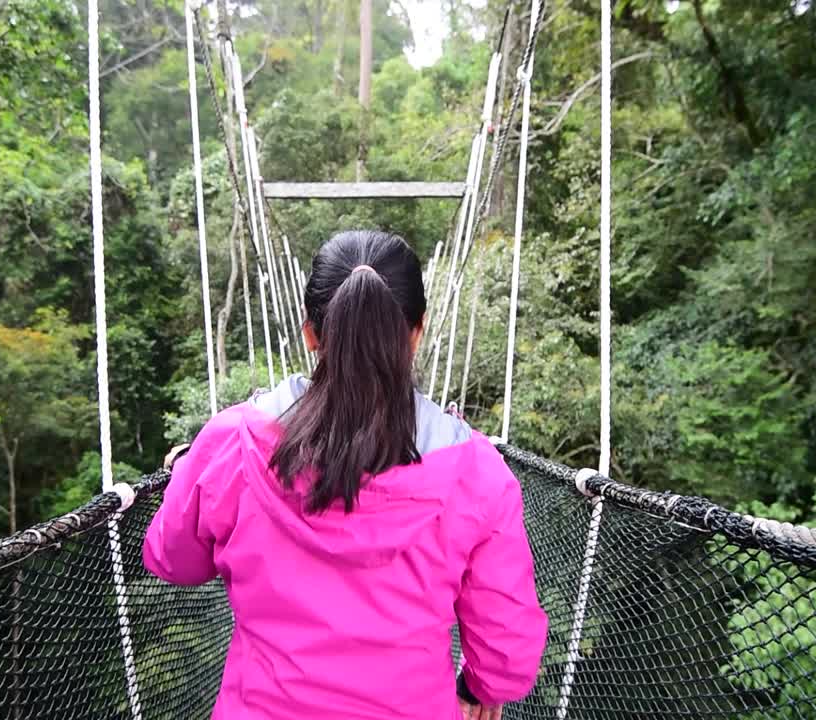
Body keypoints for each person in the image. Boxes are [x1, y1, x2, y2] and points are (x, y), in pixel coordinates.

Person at [143, 230, 548, 720]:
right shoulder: (478, 471)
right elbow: (507, 644)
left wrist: (191, 467)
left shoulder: (231, 443)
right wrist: (479, 689)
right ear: (416, 333)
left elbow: (174, 560)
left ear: (310, 333)